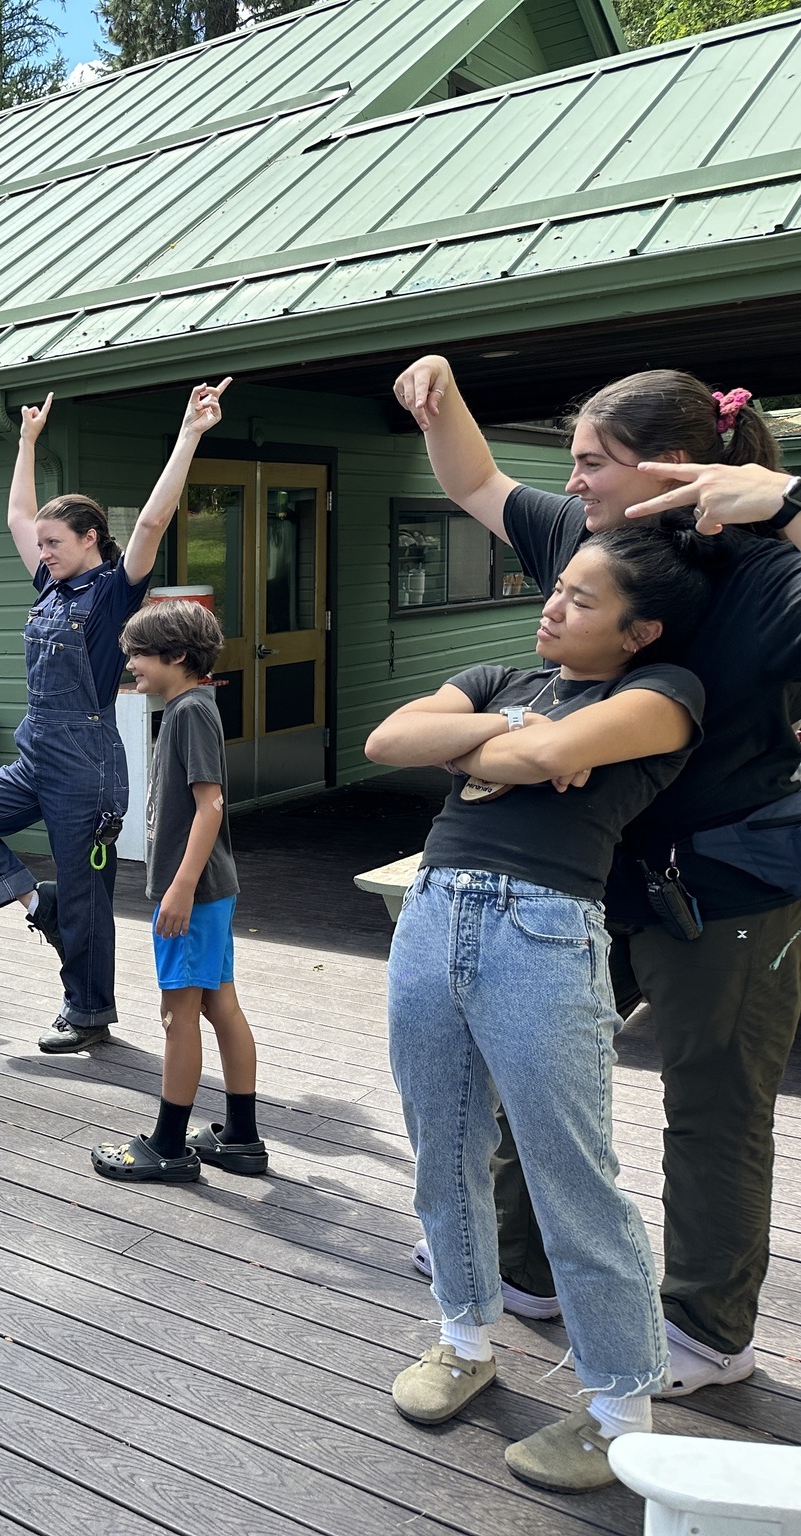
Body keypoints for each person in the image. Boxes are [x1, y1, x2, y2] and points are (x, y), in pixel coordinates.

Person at [395, 357, 801, 1398]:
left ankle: (707, 1331)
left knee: (713, 1106)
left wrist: (789, 501)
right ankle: (516, 1270)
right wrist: (441, 400)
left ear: (673, 466)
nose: (570, 481)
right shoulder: (593, 543)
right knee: (526, 1070)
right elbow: (474, 483)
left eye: (591, 461)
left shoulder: (768, 571)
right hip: (589, 874)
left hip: (726, 883)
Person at [364, 523, 716, 1492]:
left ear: (638, 631)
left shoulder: (665, 693)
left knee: (571, 1176)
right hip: (430, 913)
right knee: (440, 1149)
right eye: (555, 587)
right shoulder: (500, 679)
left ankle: (617, 1409)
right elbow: (388, 740)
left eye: (581, 600)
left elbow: (549, 752)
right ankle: (463, 1340)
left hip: (545, 930)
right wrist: (514, 730)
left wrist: (491, 745)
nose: (551, 607)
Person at [0, 382, 230, 1053]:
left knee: (89, 898)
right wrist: (26, 440)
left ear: (90, 538)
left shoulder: (115, 590)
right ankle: (42, 905)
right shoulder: (51, 587)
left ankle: (88, 1012)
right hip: (36, 754)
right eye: (41, 544)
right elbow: (16, 514)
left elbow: (152, 522)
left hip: (86, 766)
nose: (43, 551)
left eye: (54, 542)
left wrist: (189, 433)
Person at [90, 599, 265, 1183]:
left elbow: (210, 805)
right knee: (219, 1004)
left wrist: (181, 887)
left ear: (178, 656)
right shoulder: (192, 707)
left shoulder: (189, 712)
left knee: (178, 1014)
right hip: (212, 889)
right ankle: (240, 1137)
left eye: (139, 654)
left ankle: (167, 1146)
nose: (131, 665)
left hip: (195, 891)